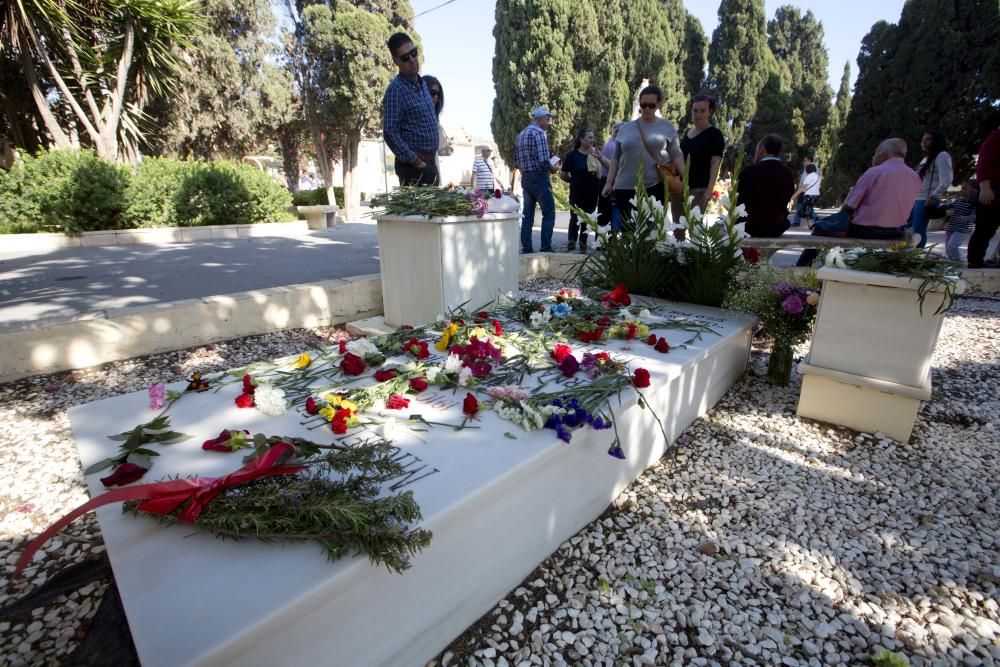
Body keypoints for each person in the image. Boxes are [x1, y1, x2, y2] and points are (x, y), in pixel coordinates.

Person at [796, 139, 921, 266]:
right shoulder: (915, 176)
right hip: (894, 232)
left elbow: (849, 205)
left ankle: (800, 269)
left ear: (882, 155)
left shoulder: (875, 172)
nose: (873, 157)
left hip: (865, 231)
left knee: (821, 232)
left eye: (875, 153)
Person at [602, 84, 685, 225]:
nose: (646, 108)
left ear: (658, 105)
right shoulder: (626, 128)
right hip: (624, 187)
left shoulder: (667, 126)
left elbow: (676, 154)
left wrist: (686, 179)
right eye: (643, 104)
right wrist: (609, 183)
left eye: (651, 105)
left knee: (651, 234)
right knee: (628, 234)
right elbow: (615, 158)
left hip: (654, 188)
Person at [381, 33, 439, 187]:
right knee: (420, 212)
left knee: (434, 212)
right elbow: (389, 131)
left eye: (414, 53)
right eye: (405, 58)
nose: (412, 60)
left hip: (430, 163)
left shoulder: (422, 85)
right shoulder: (396, 90)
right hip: (414, 168)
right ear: (396, 61)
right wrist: (416, 162)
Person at [515, 106, 559, 253]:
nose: (548, 122)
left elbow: (517, 161)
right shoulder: (539, 133)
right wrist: (553, 168)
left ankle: (527, 248)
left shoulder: (520, 134)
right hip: (539, 176)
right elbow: (543, 160)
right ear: (539, 119)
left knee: (527, 214)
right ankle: (546, 247)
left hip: (526, 177)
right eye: (547, 119)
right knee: (549, 212)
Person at [675, 93, 725, 220]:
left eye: (702, 111)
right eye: (695, 110)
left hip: (700, 190)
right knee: (677, 231)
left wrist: (709, 190)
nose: (698, 114)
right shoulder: (687, 133)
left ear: (710, 112)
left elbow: (715, 163)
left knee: (695, 232)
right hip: (680, 189)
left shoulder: (715, 134)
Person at [736, 134, 796, 237]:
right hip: (777, 227)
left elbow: (738, 200)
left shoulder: (749, 172)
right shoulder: (788, 173)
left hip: (750, 227)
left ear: (762, 149)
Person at [561, 127, 608, 252]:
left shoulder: (595, 154)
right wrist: (573, 182)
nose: (592, 140)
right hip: (577, 189)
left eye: (593, 137)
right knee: (575, 215)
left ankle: (583, 242)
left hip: (592, 189)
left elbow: (601, 170)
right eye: (589, 137)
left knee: (588, 216)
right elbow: (564, 174)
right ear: (581, 139)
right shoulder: (572, 155)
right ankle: (572, 241)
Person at [908, 130, 953, 248]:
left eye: (928, 139)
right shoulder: (926, 159)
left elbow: (947, 179)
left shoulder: (942, 156)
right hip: (916, 198)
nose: (924, 142)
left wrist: (934, 196)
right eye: (923, 140)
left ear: (937, 141)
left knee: (918, 230)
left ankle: (916, 256)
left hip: (926, 199)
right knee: (903, 226)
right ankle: (908, 252)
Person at [968, 127, 1000, 268]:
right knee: (985, 228)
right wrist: (985, 188)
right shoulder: (997, 137)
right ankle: (975, 262)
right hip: (994, 190)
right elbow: (983, 163)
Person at [942, 180, 978, 262]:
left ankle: (957, 260)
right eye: (962, 188)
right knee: (948, 248)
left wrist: (962, 218)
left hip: (962, 229)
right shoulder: (958, 200)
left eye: (965, 188)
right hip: (951, 227)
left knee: (952, 245)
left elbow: (973, 217)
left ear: (973, 190)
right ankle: (951, 260)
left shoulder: (973, 204)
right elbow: (948, 206)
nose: (962, 190)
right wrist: (940, 207)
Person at [597, 121, 624, 227]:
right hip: (609, 182)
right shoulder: (614, 146)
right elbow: (612, 166)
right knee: (607, 217)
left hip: (606, 180)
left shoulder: (610, 143)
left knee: (604, 216)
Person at [422, 75, 453, 162]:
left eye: (438, 94)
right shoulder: (419, 118)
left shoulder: (433, 119)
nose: (436, 97)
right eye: (432, 93)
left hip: (431, 167)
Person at [791, 158, 821, 227]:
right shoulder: (818, 177)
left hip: (809, 195)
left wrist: (794, 196)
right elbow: (819, 186)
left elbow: (802, 188)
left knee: (807, 210)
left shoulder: (809, 177)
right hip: (815, 195)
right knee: (807, 209)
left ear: (808, 170)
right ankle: (809, 225)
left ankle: (817, 220)